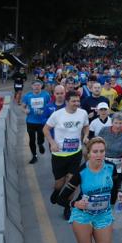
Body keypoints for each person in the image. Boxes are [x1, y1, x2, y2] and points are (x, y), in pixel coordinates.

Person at [57, 138, 121, 243]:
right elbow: (60, 199)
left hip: (103, 214)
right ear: (89, 153)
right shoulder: (81, 171)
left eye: (102, 151)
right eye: (95, 151)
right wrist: (75, 203)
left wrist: (120, 194)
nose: (99, 155)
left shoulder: (111, 167)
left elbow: (115, 187)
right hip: (83, 216)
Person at [44, 90, 90, 220]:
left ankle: (67, 207)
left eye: (78, 101)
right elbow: (45, 129)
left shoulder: (83, 113)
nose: (77, 103)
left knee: (71, 182)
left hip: (75, 153)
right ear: (67, 102)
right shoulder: (57, 115)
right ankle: (57, 191)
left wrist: (86, 136)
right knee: (60, 182)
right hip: (59, 155)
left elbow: (86, 126)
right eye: (74, 101)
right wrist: (52, 142)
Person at [97, 112, 122, 201]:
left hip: (118, 161)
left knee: (116, 185)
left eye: (120, 123)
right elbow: (96, 143)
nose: (118, 126)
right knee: (101, 183)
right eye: (116, 123)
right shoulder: (104, 130)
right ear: (112, 122)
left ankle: (112, 202)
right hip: (104, 159)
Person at [22, 80, 52, 163]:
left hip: (42, 122)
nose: (36, 87)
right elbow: (23, 106)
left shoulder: (46, 95)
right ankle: (34, 156)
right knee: (31, 139)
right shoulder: (28, 96)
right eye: (35, 85)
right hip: (30, 121)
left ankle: (40, 144)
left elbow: (50, 105)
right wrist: (25, 110)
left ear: (41, 86)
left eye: (38, 85)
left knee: (40, 137)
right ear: (32, 86)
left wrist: (48, 112)